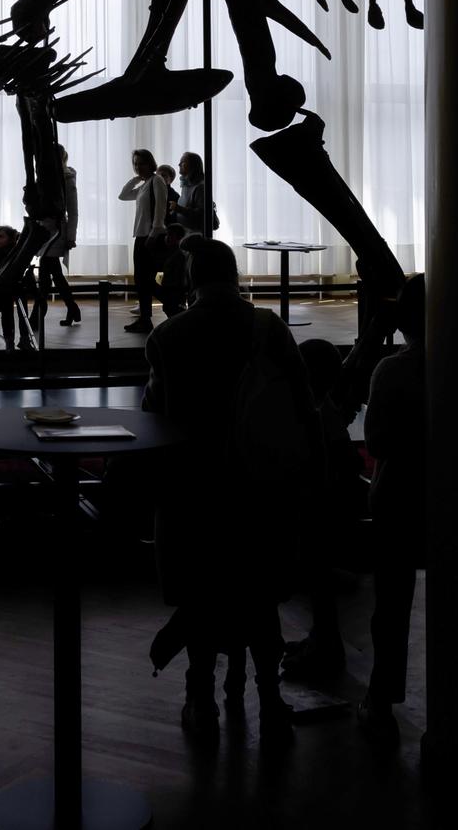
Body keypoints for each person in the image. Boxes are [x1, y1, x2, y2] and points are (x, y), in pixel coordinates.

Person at [143, 237, 309, 746]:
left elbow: (156, 413)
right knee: (258, 597)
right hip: (259, 486)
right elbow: (299, 405)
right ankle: (270, 698)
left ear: (192, 279)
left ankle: (201, 697)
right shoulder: (269, 329)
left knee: (201, 592)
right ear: (235, 274)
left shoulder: (169, 336)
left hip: (195, 488)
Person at [360, 272, 427, 744]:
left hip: (398, 494)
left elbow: (377, 441)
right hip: (447, 494)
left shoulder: (391, 371)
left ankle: (382, 696)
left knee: (391, 605)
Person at [281, 337, 360, 683]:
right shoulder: (325, 408)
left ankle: (326, 647)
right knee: (319, 583)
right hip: (329, 506)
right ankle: (323, 642)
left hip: (314, 505)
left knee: (318, 583)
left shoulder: (311, 411)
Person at [119, 149, 166, 333]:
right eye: (136, 163)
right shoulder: (145, 184)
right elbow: (123, 195)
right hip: (141, 235)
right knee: (142, 279)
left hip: (150, 236)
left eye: (142, 163)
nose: (138, 167)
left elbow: (160, 210)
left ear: (150, 163)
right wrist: (137, 177)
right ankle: (146, 318)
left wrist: (154, 235)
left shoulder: (157, 181)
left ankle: (169, 306)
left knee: (145, 279)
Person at [37, 144, 80, 326]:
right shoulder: (47, 177)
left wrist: (71, 236)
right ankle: (72, 309)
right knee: (52, 274)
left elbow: (73, 210)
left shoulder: (66, 179)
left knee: (48, 275)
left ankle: (38, 315)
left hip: (56, 231)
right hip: (45, 230)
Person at [0, 223, 39, 347]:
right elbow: (8, 264)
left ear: (10, 238)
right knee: (7, 314)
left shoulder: (17, 250)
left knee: (23, 314)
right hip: (5, 287)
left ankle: (24, 338)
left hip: (19, 285)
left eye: (1, 237)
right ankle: (9, 340)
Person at [175, 151, 216, 235]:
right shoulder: (186, 185)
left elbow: (202, 214)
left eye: (183, 162)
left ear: (193, 166)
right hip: (186, 233)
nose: (179, 164)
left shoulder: (200, 187)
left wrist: (179, 209)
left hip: (196, 235)